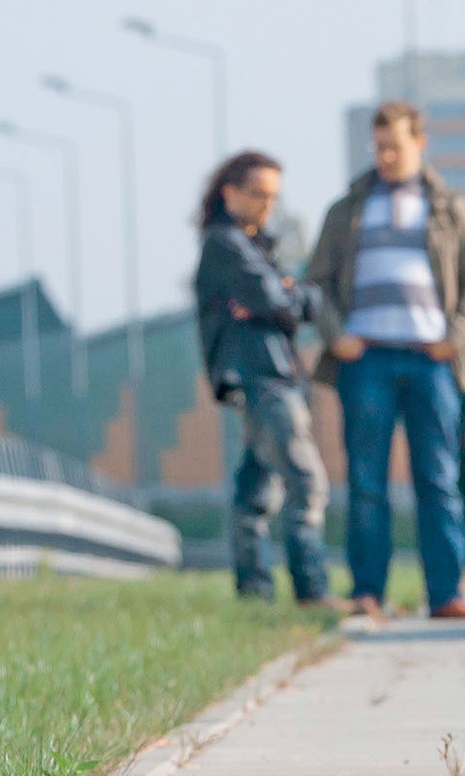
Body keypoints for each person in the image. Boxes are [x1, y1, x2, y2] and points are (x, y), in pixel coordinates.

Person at [305, 100, 465, 620]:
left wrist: (457, 337)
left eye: (395, 146)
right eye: (378, 146)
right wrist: (337, 336)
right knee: (367, 480)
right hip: (366, 360)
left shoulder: (449, 208)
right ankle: (367, 591)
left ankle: (447, 593)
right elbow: (316, 282)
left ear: (419, 143)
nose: (385, 156)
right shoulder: (348, 210)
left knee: (437, 478)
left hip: (432, 361)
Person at [193, 150, 337, 608]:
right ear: (229, 193)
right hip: (260, 376)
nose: (266, 205)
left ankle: (254, 592)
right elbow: (277, 300)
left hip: (272, 373)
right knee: (305, 481)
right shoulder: (224, 244)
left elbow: (298, 301)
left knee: (256, 491)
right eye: (257, 194)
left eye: (273, 196)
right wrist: (285, 298)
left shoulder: (257, 247)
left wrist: (286, 298)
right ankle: (312, 589)